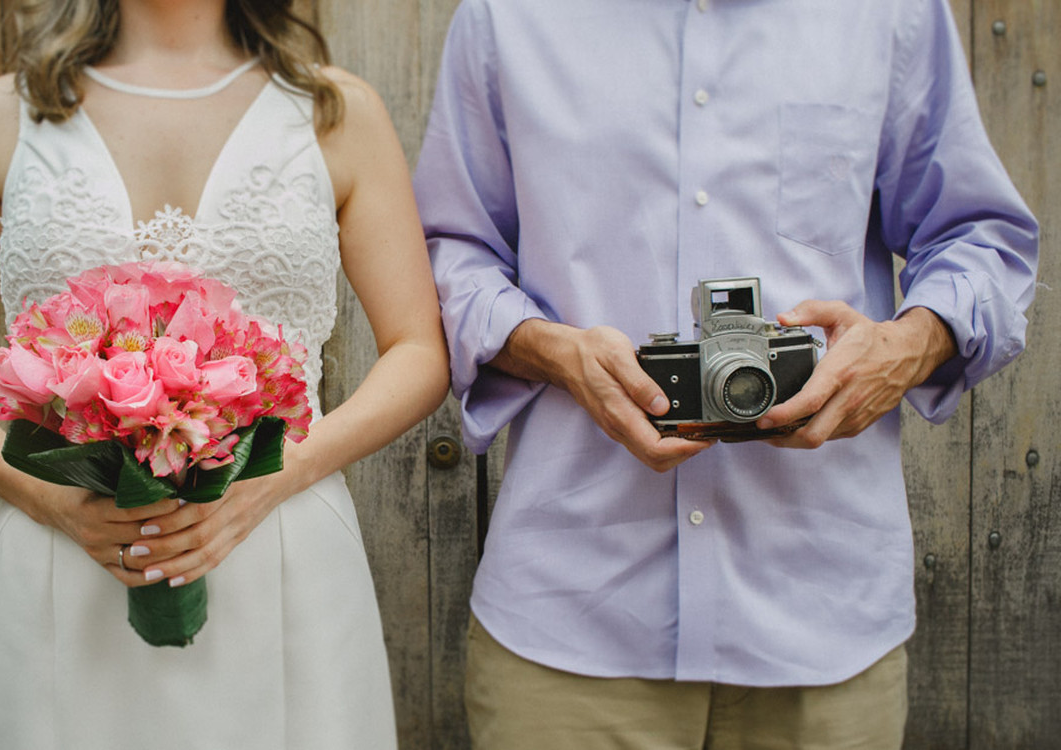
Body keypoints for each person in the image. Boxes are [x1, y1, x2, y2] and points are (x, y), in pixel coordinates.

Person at [414, 0, 1038, 747]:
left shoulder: (891, 14)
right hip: (573, 621)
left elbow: (980, 239)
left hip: (821, 616)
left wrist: (907, 344)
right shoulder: (506, 18)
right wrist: (554, 351)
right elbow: (451, 253)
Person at [0, 0, 448, 747]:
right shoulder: (6, 115)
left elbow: (416, 347)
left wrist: (274, 479)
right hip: (66, 553)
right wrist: (49, 498)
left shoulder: (333, 111)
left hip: (279, 545)